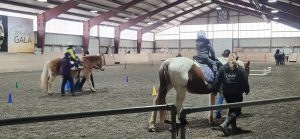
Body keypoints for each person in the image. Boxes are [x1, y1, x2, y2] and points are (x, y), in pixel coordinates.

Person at [214, 54, 250, 136]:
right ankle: (225, 124)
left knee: (231, 109)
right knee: (237, 111)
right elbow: (245, 81)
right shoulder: (240, 70)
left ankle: (234, 128)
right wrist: (247, 90)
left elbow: (217, 80)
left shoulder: (222, 68)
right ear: (236, 60)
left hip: (226, 93)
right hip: (237, 93)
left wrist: (215, 89)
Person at [215, 49, 231, 119]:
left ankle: (218, 113)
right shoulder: (230, 61)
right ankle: (231, 111)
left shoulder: (218, 60)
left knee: (220, 97)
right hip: (228, 82)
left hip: (219, 81)